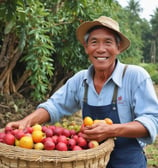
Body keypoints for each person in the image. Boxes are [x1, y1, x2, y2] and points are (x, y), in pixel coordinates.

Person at [7, 16, 158, 167]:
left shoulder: (135, 76)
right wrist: (25, 122)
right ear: (86, 47)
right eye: (94, 42)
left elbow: (152, 120)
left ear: (118, 48)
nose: (100, 49)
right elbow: (54, 106)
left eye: (108, 42)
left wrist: (112, 130)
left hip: (127, 162)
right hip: (90, 162)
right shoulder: (80, 80)